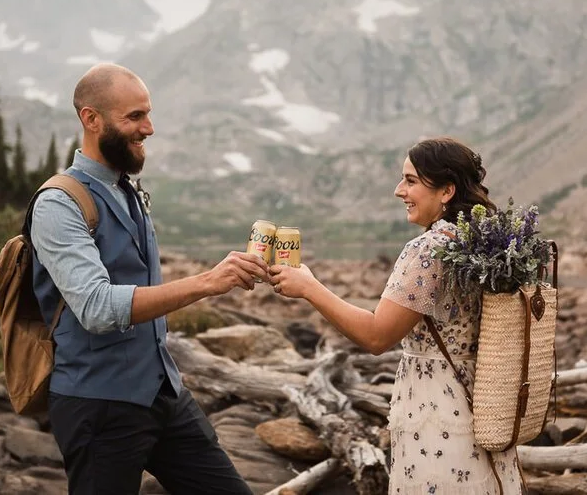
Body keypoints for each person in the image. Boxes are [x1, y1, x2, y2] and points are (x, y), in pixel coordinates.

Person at [30, 63, 267, 495]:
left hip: (163, 393)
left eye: (148, 114)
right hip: (98, 406)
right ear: (91, 119)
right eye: (135, 117)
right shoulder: (58, 203)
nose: (149, 128)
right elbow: (98, 308)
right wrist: (207, 282)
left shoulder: (126, 188)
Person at [268, 136, 527, 494]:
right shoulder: (485, 243)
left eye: (410, 181)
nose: (398, 190)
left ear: (446, 191)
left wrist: (309, 287)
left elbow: (377, 336)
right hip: (485, 403)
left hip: (437, 413)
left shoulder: (429, 249)